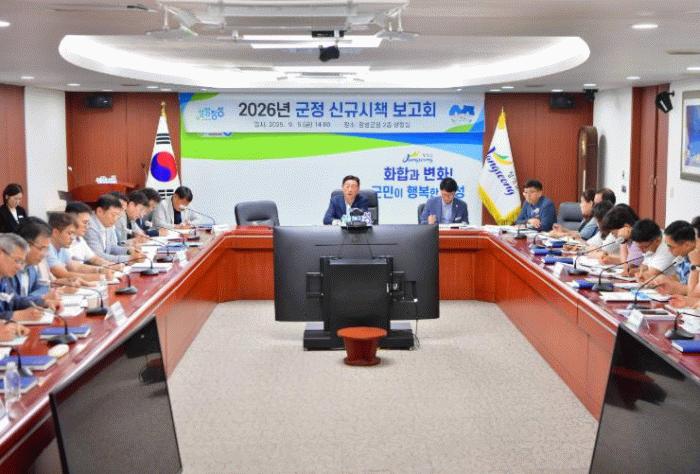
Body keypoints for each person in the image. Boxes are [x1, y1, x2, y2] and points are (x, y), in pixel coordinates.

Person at [47, 212, 116, 281]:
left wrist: (100, 270)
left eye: (73, 234)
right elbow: (63, 274)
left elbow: (76, 267)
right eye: (70, 233)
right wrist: (100, 277)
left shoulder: (62, 248)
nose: (72, 238)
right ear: (55, 232)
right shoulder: (47, 248)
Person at [13, 219, 63, 310]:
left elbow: (43, 288)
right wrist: (41, 298)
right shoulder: (8, 268)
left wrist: (40, 299)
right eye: (41, 249)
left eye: (46, 249)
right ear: (25, 245)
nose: (44, 254)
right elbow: (13, 303)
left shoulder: (30, 266)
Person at [84, 194, 146, 264]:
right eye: (113, 215)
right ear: (100, 211)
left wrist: (129, 251)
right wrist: (129, 259)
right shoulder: (89, 227)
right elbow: (98, 257)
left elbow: (112, 248)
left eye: (117, 215)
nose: (115, 219)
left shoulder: (107, 223)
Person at [65, 201, 125, 271]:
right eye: (84, 222)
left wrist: (112, 265)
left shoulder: (79, 238)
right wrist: (100, 271)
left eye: (88, 223)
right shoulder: (62, 241)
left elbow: (94, 258)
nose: (87, 226)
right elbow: (74, 267)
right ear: (71, 221)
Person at [0, 233, 41, 333]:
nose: (19, 267)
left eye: (21, 262)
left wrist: (43, 301)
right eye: (16, 260)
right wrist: (16, 315)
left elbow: (15, 300)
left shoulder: (4, 279)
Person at [654, 220, 697, 296]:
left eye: (671, 246)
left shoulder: (697, 261)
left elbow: (695, 293)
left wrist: (678, 288)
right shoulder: (682, 259)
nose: (669, 250)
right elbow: (680, 280)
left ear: (687, 245)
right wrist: (664, 281)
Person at [599, 204, 643, 276]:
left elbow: (629, 269)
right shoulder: (630, 240)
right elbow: (626, 265)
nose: (615, 237)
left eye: (614, 233)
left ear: (626, 226)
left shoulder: (638, 239)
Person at [629, 218, 676, 283]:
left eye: (644, 247)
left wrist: (641, 275)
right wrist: (639, 272)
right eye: (639, 247)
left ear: (657, 241)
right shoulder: (653, 238)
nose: (642, 251)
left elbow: (651, 274)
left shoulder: (667, 248)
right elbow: (646, 264)